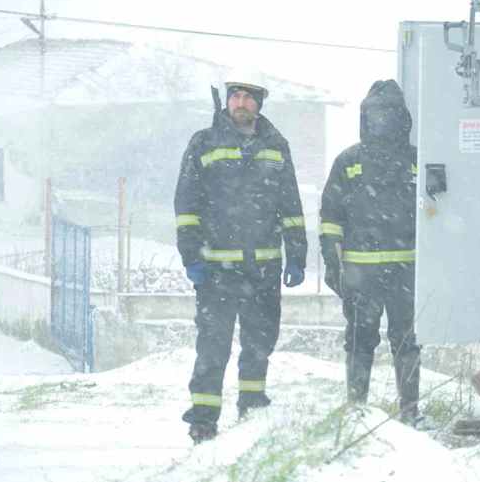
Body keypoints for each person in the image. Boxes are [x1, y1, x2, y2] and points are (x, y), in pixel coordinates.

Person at [174, 65, 308, 444]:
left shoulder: (276, 146)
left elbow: (291, 205)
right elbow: (186, 204)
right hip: (216, 269)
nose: (241, 102)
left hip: (264, 268)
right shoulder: (204, 143)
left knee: (260, 342)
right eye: (235, 95)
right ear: (226, 99)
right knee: (213, 344)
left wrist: (297, 254)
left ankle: (252, 404)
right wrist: (191, 255)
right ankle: (203, 420)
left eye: (249, 96)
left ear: (259, 102)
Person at [318, 79, 422, 426]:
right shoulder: (348, 161)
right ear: (365, 116)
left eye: (389, 113)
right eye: (375, 113)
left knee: (406, 343)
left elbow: (436, 214)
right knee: (360, 342)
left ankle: (411, 414)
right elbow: (331, 217)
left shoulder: (416, 162)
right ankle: (356, 413)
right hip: (361, 277)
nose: (382, 120)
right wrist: (332, 264)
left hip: (407, 274)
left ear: (401, 117)